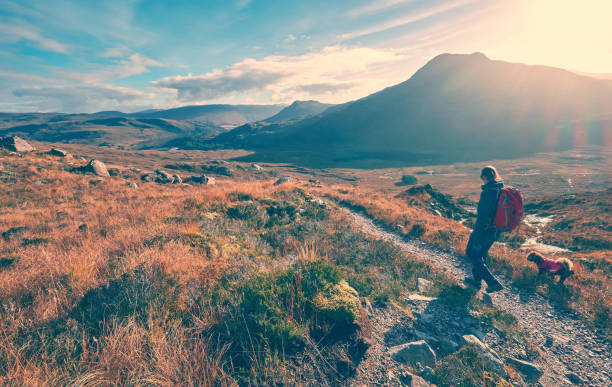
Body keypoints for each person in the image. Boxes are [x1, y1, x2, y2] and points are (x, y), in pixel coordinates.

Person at [464, 166, 504, 293]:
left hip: (484, 230)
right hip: (495, 231)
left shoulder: (488, 192)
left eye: (482, 178)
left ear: (485, 177)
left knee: (471, 252)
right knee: (481, 254)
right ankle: (476, 281)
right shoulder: (500, 189)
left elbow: (483, 216)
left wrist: (477, 234)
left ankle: (492, 282)